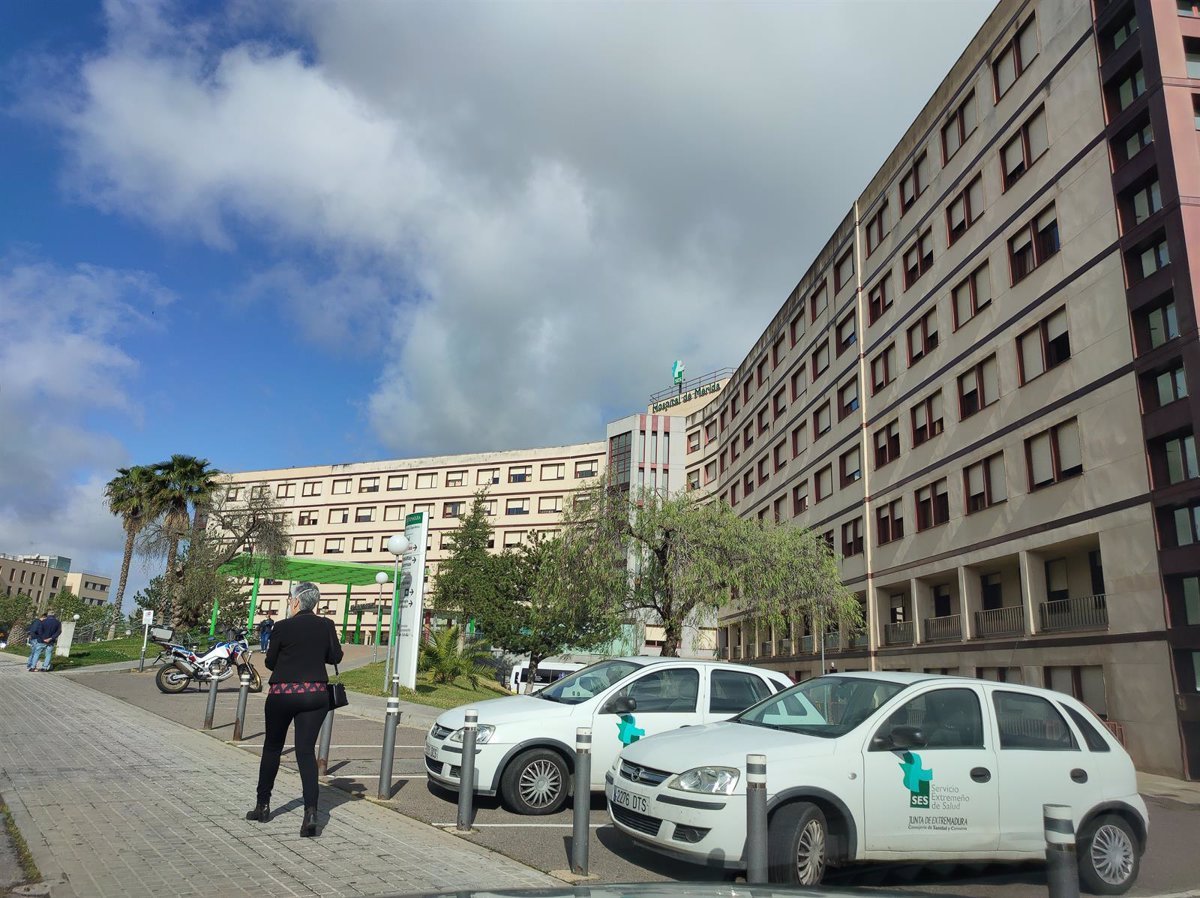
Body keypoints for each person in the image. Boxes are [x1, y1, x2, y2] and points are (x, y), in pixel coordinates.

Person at [247, 582, 342, 837]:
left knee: (272, 748)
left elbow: (270, 661)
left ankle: (262, 805)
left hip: (283, 694)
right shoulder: (327, 625)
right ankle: (311, 812)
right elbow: (335, 656)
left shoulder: (282, 626)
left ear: (297, 602)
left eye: (290, 600)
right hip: (315, 695)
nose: (289, 604)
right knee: (305, 752)